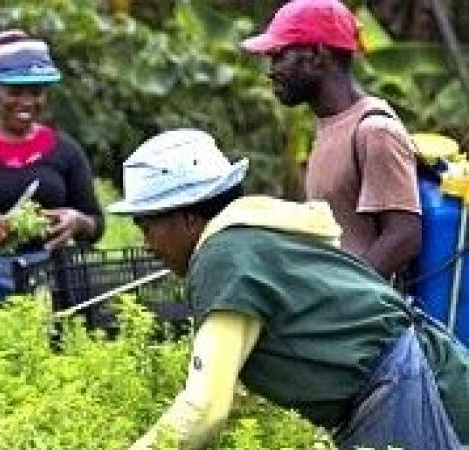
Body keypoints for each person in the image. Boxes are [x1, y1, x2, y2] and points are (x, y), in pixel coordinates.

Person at [108, 129, 469, 450]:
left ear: (185, 215)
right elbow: (234, 394)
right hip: (422, 376)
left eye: (147, 227)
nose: (147, 245)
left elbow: (204, 409)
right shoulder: (253, 238)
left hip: (414, 390)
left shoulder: (222, 257)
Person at [0, 30, 106, 321]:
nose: (26, 102)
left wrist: (77, 222)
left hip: (54, 287)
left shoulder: (67, 151)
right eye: (14, 91)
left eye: (36, 92)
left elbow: (96, 224)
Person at [241, 0, 421, 280]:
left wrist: (342, 299)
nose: (272, 69)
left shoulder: (375, 130)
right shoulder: (330, 125)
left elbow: (403, 236)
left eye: (279, 55)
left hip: (362, 317)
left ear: (316, 54)